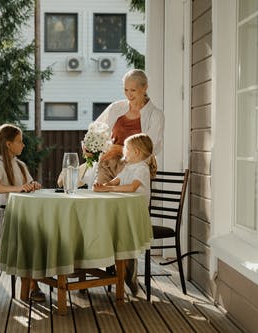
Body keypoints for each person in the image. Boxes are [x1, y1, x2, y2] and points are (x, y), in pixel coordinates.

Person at [93, 133, 157, 296]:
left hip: (135, 215)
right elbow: (116, 181)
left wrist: (108, 189)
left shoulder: (142, 168)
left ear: (136, 152)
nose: (124, 153)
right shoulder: (129, 167)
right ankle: (117, 271)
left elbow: (132, 187)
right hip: (124, 212)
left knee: (122, 236)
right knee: (112, 230)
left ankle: (128, 276)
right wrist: (103, 185)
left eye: (126, 150)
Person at [0, 124, 45, 302]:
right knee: (29, 238)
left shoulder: (20, 165)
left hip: (23, 217)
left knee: (44, 234)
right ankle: (33, 285)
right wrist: (19, 188)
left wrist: (32, 186)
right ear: (8, 144)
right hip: (6, 219)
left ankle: (38, 282)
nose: (23, 145)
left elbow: (27, 186)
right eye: (20, 141)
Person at [92, 69, 164, 184]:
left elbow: (150, 148)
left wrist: (119, 149)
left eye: (133, 90)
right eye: (125, 90)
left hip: (134, 169)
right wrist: (89, 148)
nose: (128, 94)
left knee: (124, 201)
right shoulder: (116, 108)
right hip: (107, 165)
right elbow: (95, 131)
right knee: (100, 198)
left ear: (145, 87)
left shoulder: (156, 116)